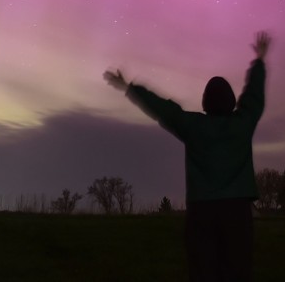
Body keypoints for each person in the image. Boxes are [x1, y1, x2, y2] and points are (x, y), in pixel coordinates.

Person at [104, 31, 270, 282]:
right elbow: (254, 96)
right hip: (237, 211)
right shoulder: (242, 124)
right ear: (232, 101)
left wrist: (130, 88)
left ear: (205, 103)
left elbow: (164, 109)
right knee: (238, 270)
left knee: (202, 271)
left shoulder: (194, 127)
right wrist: (259, 60)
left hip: (201, 211)